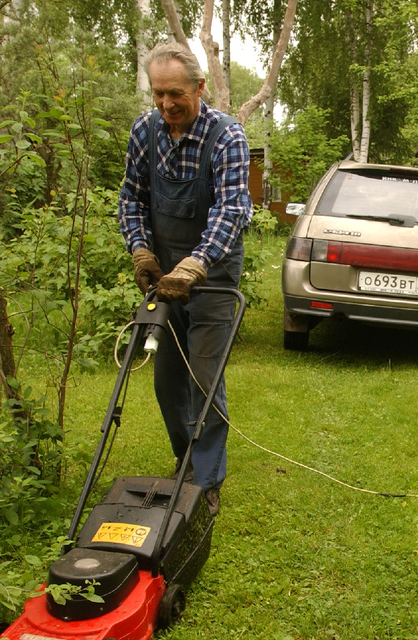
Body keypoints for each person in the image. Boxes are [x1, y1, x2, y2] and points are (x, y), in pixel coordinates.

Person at [118, 41, 252, 517]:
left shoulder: (227, 136)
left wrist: (195, 265)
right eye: (158, 94)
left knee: (204, 375)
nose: (166, 104)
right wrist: (140, 250)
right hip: (162, 270)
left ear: (199, 87)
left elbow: (232, 209)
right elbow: (131, 198)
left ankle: (207, 479)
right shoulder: (145, 131)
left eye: (175, 93)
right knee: (167, 376)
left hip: (212, 274)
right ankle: (187, 460)